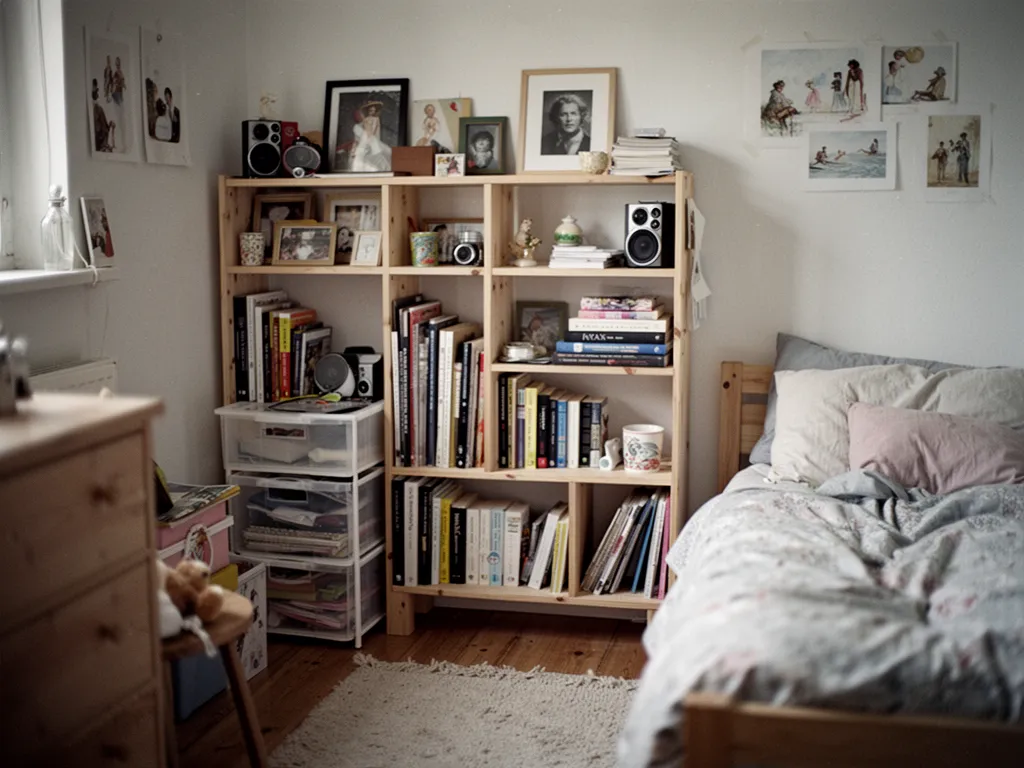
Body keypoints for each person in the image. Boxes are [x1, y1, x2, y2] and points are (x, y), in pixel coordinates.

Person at [349, 101, 392, 172]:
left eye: (373, 110)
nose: (372, 112)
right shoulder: (365, 120)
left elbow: (376, 129)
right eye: (370, 110)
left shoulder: (376, 119)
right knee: (363, 152)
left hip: (372, 137)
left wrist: (373, 137)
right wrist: (368, 136)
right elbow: (366, 129)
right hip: (367, 137)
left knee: (380, 151)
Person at [91, 78, 116, 151]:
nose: (96, 90)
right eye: (94, 88)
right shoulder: (95, 109)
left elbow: (104, 129)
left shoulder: (98, 108)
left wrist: (110, 125)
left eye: (95, 88)